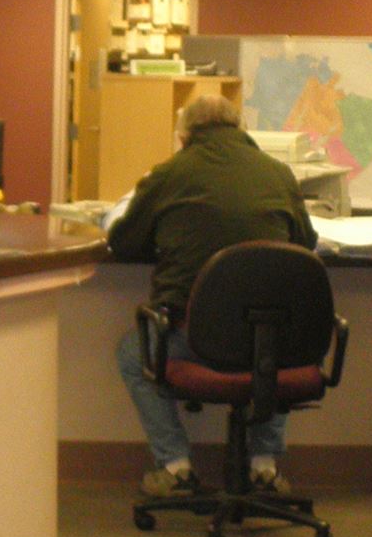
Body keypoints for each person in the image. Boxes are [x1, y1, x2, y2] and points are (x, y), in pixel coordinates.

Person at [105, 92, 315, 497]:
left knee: (134, 354)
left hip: (193, 335)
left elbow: (126, 243)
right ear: (239, 129)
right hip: (267, 339)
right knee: (271, 336)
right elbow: (304, 244)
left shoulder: (169, 173)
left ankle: (176, 467)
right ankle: (264, 466)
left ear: (184, 136)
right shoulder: (279, 174)